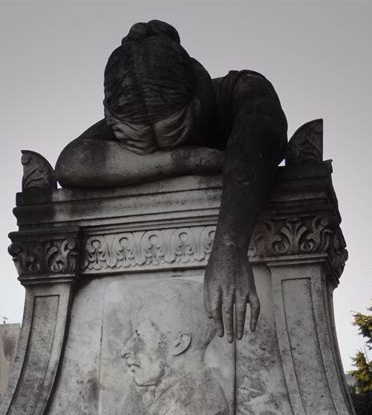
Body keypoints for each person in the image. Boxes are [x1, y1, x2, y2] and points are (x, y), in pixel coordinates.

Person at [56, 20, 288, 344]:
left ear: (200, 89)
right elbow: (71, 162)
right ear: (110, 115)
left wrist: (229, 248)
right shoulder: (136, 104)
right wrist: (184, 160)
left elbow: (259, 141)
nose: (163, 145)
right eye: (139, 142)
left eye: (174, 131)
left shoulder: (240, 90)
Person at [112, 279, 228, 415]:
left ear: (179, 344)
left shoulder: (205, 409)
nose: (126, 350)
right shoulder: (162, 398)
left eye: (139, 337)